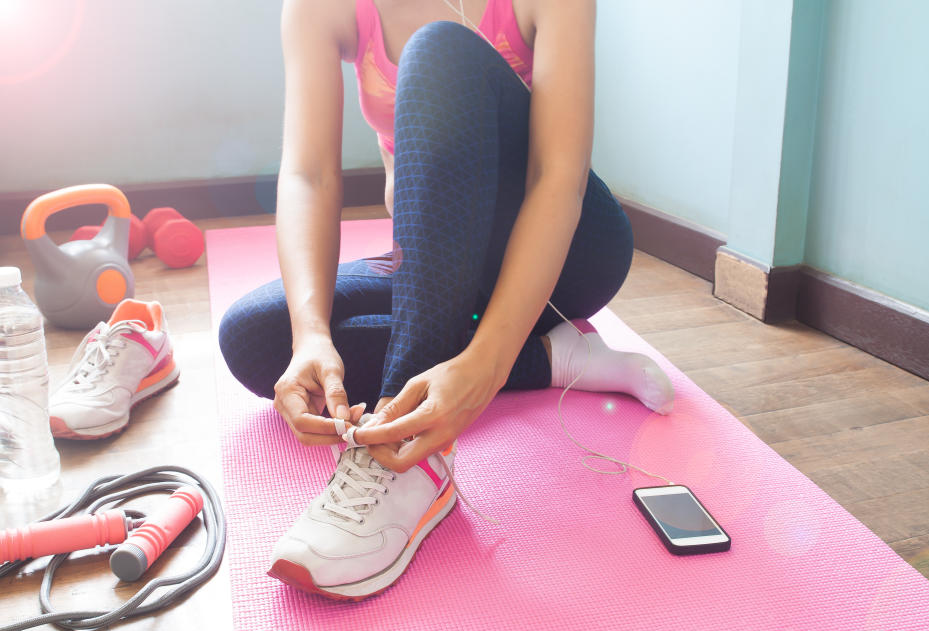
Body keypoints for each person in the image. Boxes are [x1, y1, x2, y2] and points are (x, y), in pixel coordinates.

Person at [219, 0, 674, 599]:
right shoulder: (319, 9)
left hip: (568, 256)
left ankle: (405, 457)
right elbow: (309, 174)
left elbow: (556, 178)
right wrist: (311, 333)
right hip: (440, 263)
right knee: (256, 337)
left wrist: (486, 364)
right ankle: (552, 359)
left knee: (440, 46)